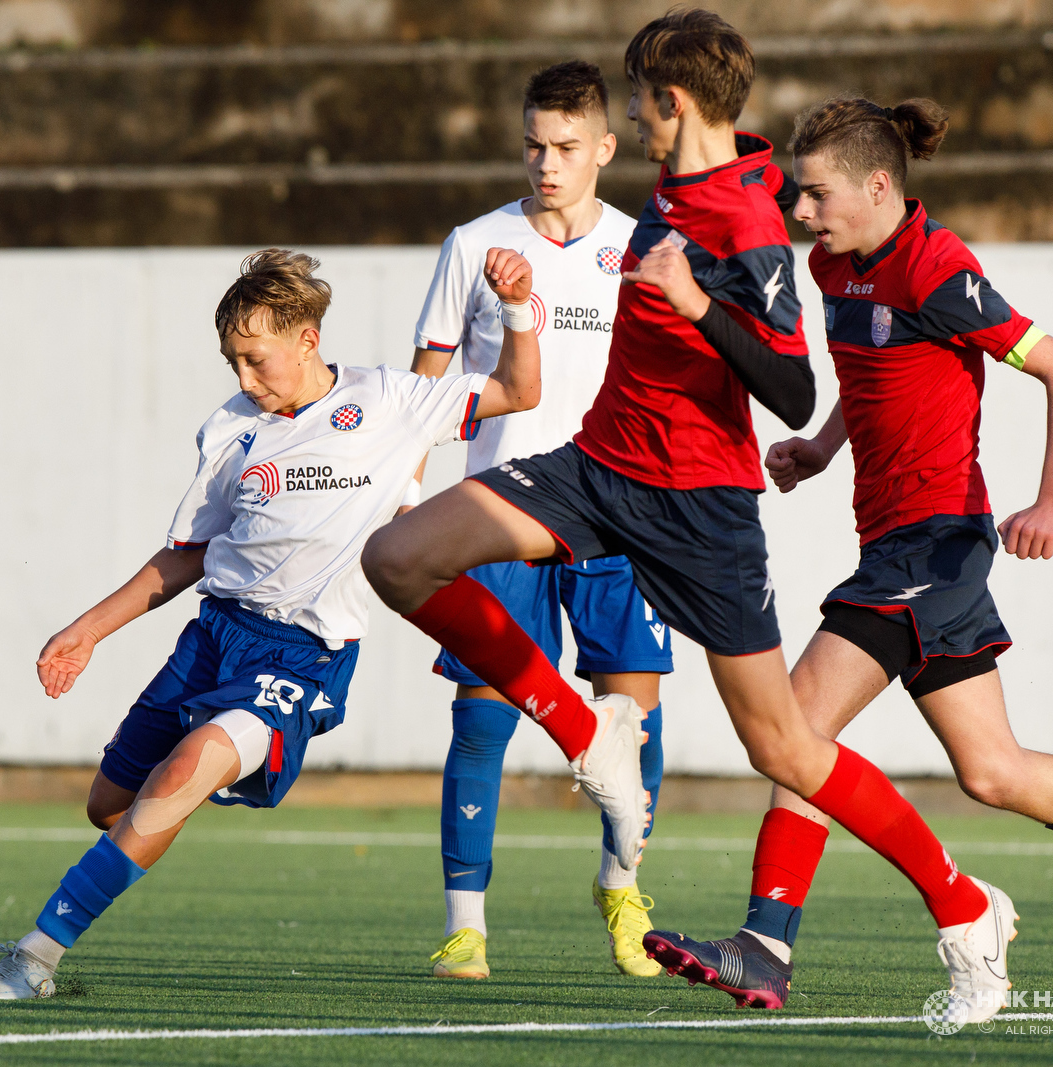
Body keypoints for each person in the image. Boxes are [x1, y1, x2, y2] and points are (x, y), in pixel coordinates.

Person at [362, 9, 1016, 1024]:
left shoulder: (748, 222)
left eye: (636, 104)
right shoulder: (679, 185)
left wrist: (699, 303)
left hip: (701, 510)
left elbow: (794, 390)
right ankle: (592, 736)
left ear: (669, 105)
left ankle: (962, 902)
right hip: (597, 465)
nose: (632, 119)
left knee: (787, 751)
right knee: (398, 557)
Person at [647, 95, 1053, 1010]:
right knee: (991, 769)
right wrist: (823, 446)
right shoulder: (835, 266)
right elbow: (877, 372)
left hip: (934, 543)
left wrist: (1052, 499)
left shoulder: (939, 268)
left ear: (878, 185)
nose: (801, 213)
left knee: (797, 728)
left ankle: (767, 942)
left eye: (815, 195)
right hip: (897, 543)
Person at [0, 246, 543, 999]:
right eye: (232, 363)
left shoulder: (393, 400)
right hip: (212, 638)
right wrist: (86, 629)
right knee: (111, 807)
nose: (244, 379)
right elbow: (187, 556)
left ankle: (34, 957)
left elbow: (518, 388)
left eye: (255, 359)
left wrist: (515, 307)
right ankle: (198, 772)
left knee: (181, 774)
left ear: (308, 339)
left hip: (302, 655)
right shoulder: (231, 429)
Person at [410, 60, 672, 981]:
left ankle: (621, 885)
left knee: (636, 719)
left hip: (616, 512)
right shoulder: (473, 243)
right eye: (533, 144)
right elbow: (427, 386)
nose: (545, 163)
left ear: (605, 147)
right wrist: (407, 487)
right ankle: (465, 926)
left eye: (565, 147)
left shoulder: (645, 248)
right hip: (502, 510)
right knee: (481, 717)